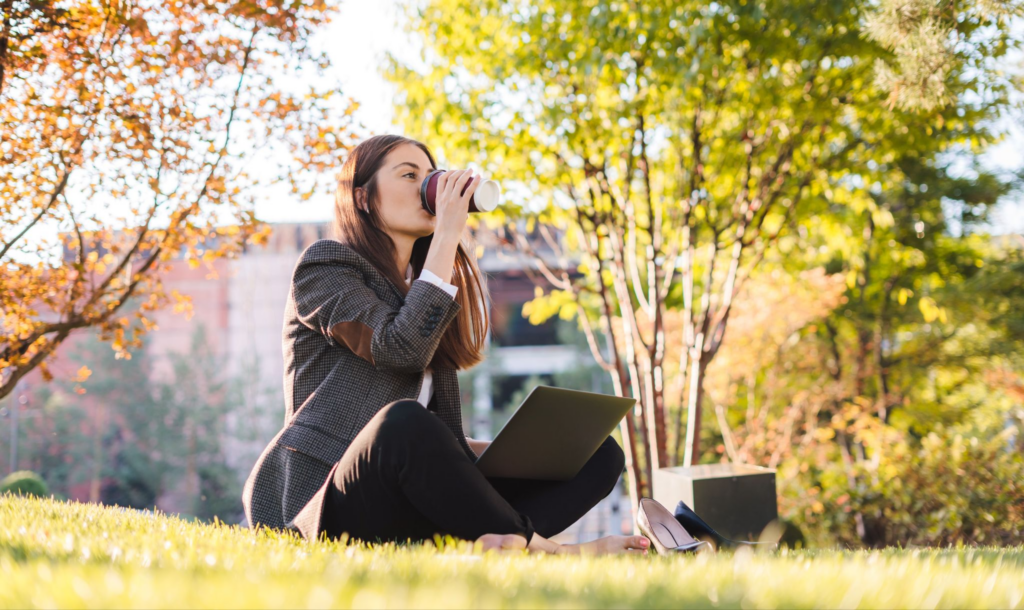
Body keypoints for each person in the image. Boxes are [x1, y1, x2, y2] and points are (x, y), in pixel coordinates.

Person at [242, 134, 650, 555]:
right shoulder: (326, 265)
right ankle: (549, 551)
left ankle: (498, 544)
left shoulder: (420, 290)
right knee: (402, 422)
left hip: (407, 502)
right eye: (408, 175)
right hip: (327, 500)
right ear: (362, 198)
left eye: (430, 174)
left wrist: (525, 453)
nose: (427, 186)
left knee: (595, 453)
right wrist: (448, 235)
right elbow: (398, 350)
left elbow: (438, 443)